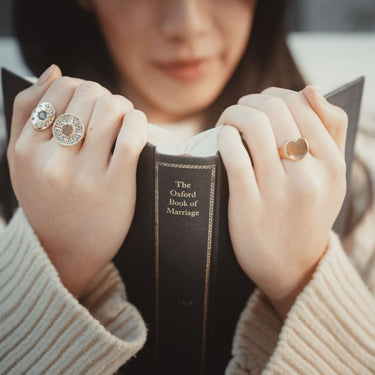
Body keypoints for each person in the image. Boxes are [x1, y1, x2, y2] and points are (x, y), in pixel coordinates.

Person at [1, 0, 375, 374]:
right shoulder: (17, 170)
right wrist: (54, 259)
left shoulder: (360, 168)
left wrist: (302, 277)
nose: (189, 26)